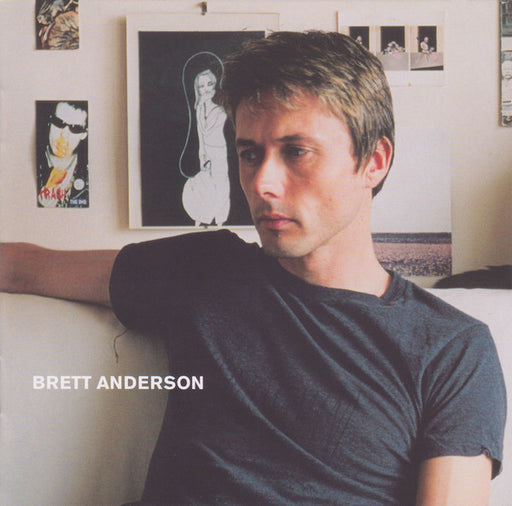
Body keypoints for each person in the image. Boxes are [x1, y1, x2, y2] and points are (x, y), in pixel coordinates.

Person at [0, 31, 506, 505]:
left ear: (373, 161)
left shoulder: (451, 349)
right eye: (248, 154)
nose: (262, 183)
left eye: (296, 152)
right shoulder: (204, 268)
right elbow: (23, 268)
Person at [182, 68, 230, 226]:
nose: (206, 89)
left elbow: (212, 129)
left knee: (221, 184)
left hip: (219, 151)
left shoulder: (220, 110)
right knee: (204, 185)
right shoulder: (199, 109)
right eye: (201, 86)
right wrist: (202, 154)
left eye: (209, 84)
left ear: (215, 85)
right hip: (205, 152)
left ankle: (221, 219)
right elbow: (200, 135)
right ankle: (203, 216)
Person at [37, 100, 89, 208]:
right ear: (49, 122)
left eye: (75, 128)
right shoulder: (28, 162)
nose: (64, 134)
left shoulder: (91, 172)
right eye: (59, 123)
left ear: (84, 134)